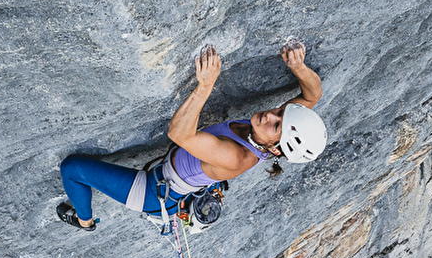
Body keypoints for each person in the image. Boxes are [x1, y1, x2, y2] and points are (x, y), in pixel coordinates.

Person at [57, 39, 327, 231]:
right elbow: (313, 95)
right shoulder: (273, 130)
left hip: (154, 193)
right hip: (174, 176)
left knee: (72, 168)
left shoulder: (237, 157)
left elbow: (178, 133)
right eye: (280, 114)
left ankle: (85, 222)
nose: (271, 115)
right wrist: (299, 67)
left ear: (275, 150)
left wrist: (205, 86)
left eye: (276, 126)